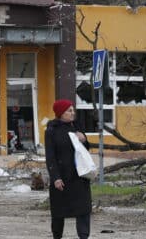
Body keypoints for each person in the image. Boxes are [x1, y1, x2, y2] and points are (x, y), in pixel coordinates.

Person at [45, 99, 92, 239]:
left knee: (83, 210)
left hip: (79, 176)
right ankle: (57, 236)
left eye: (73, 110)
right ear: (60, 113)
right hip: (62, 177)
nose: (73, 113)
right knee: (59, 213)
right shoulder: (51, 130)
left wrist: (84, 139)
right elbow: (50, 156)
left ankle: (84, 236)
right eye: (69, 111)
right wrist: (56, 177)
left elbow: (85, 150)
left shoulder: (76, 126)